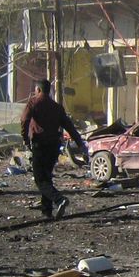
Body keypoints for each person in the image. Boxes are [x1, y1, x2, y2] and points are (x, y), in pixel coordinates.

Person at [20, 79, 86, 220]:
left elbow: (24, 120)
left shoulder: (33, 103)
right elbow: (68, 125)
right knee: (47, 177)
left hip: (40, 144)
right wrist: (79, 142)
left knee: (40, 179)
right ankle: (47, 211)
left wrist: (25, 139)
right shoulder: (57, 107)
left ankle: (59, 199)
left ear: (38, 90)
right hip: (54, 146)